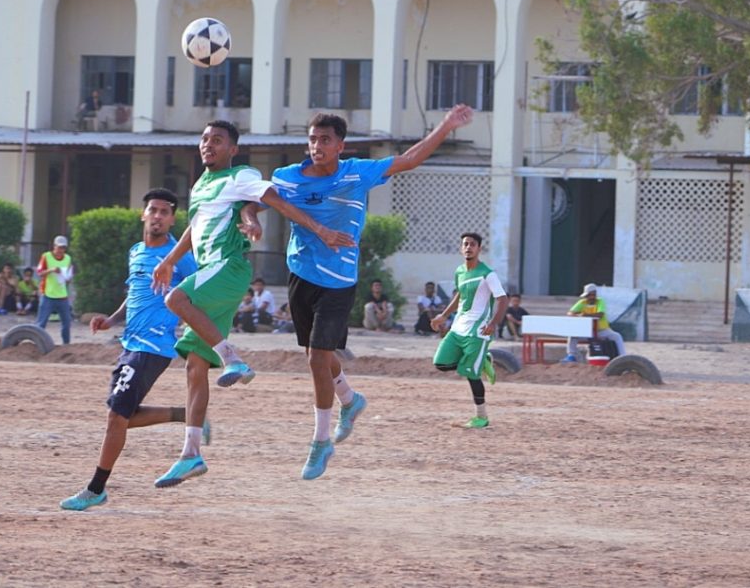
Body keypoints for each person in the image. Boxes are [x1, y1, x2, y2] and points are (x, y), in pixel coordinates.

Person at [261, 103, 474, 479]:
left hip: (339, 281)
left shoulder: (357, 173)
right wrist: (249, 219)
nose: (317, 146)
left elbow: (409, 160)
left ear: (340, 146)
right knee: (316, 355)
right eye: (312, 140)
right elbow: (257, 199)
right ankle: (350, 399)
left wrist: (445, 126)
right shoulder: (289, 177)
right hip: (301, 275)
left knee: (317, 358)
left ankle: (320, 441)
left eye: (325, 140)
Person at [151, 120, 354, 489]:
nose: (208, 144)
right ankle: (191, 454)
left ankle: (234, 359)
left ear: (233, 149)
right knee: (195, 365)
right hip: (210, 274)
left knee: (175, 298)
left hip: (228, 269)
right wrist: (169, 260)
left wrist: (320, 230)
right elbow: (195, 227)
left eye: (217, 140)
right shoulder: (201, 185)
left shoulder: (240, 175)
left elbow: (273, 200)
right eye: (204, 138)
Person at [60, 188, 198, 511]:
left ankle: (95, 489)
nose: (158, 216)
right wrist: (112, 319)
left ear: (172, 219)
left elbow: (200, 289)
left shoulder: (179, 256)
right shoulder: (136, 251)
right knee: (120, 416)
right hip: (130, 343)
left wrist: (198, 328)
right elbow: (135, 293)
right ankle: (187, 414)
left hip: (154, 345)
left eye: (165, 212)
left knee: (116, 416)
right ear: (143, 215)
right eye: (153, 210)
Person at [430, 232, 508, 429]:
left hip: (478, 331)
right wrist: (443, 316)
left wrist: (493, 323)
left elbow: (502, 299)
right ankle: (483, 361)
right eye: (465, 244)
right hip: (458, 328)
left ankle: (481, 417)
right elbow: (459, 295)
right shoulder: (459, 271)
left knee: (471, 374)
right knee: (440, 363)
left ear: (479, 249)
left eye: (472, 244)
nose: (468, 247)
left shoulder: (487, 274)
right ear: (461, 248)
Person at [562, 283, 626, 362]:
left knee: (617, 336)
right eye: (588, 295)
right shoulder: (582, 302)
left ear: (595, 294)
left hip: (602, 331)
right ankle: (572, 355)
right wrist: (577, 315)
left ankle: (623, 357)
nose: (590, 297)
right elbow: (570, 312)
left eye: (592, 295)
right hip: (587, 332)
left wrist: (585, 315)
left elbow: (600, 314)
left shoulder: (600, 301)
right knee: (573, 336)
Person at [36, 235, 74, 345]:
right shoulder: (46, 256)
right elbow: (39, 273)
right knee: (41, 322)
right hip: (48, 295)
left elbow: (69, 274)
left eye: (63, 248)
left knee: (66, 323)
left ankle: (66, 344)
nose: (61, 250)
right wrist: (51, 270)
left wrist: (68, 278)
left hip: (62, 295)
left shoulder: (67, 258)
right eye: (59, 247)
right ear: (54, 246)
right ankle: (38, 343)